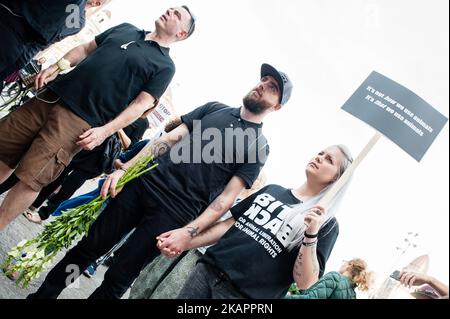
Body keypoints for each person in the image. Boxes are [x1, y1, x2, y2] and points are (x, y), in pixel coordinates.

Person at [27, 63, 293, 299]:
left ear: (277, 106)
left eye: (271, 88)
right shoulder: (215, 108)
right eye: (263, 80)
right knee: (86, 250)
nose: (262, 86)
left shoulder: (258, 147)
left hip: (174, 214)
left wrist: (188, 232)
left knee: (118, 277)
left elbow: (225, 199)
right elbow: (167, 140)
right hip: (141, 185)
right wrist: (125, 170)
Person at [0, 6, 196, 230]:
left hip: (79, 121)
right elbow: (85, 49)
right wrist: (58, 66)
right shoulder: (126, 29)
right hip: (51, 96)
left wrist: (105, 131)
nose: (169, 12)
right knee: (3, 151)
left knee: (31, 179)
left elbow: (141, 104)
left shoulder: (165, 66)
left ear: (181, 34)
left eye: (177, 15)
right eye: (170, 8)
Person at [174, 145, 353, 299]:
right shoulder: (272, 190)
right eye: (320, 153)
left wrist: (312, 233)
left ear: (337, 179)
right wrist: (185, 241)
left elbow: (306, 283)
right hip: (206, 271)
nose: (319, 158)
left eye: (329, 159)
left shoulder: (326, 224)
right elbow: (228, 225)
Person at [0, 0, 106, 85]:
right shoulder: (79, 22)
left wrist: (19, 63)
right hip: (14, 35)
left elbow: (44, 43)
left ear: (97, 3)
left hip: (14, 38)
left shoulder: (78, 20)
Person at [286, 258, 373, 299]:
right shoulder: (353, 296)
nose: (342, 264)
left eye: (344, 261)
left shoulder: (335, 278)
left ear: (350, 265)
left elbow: (311, 297)